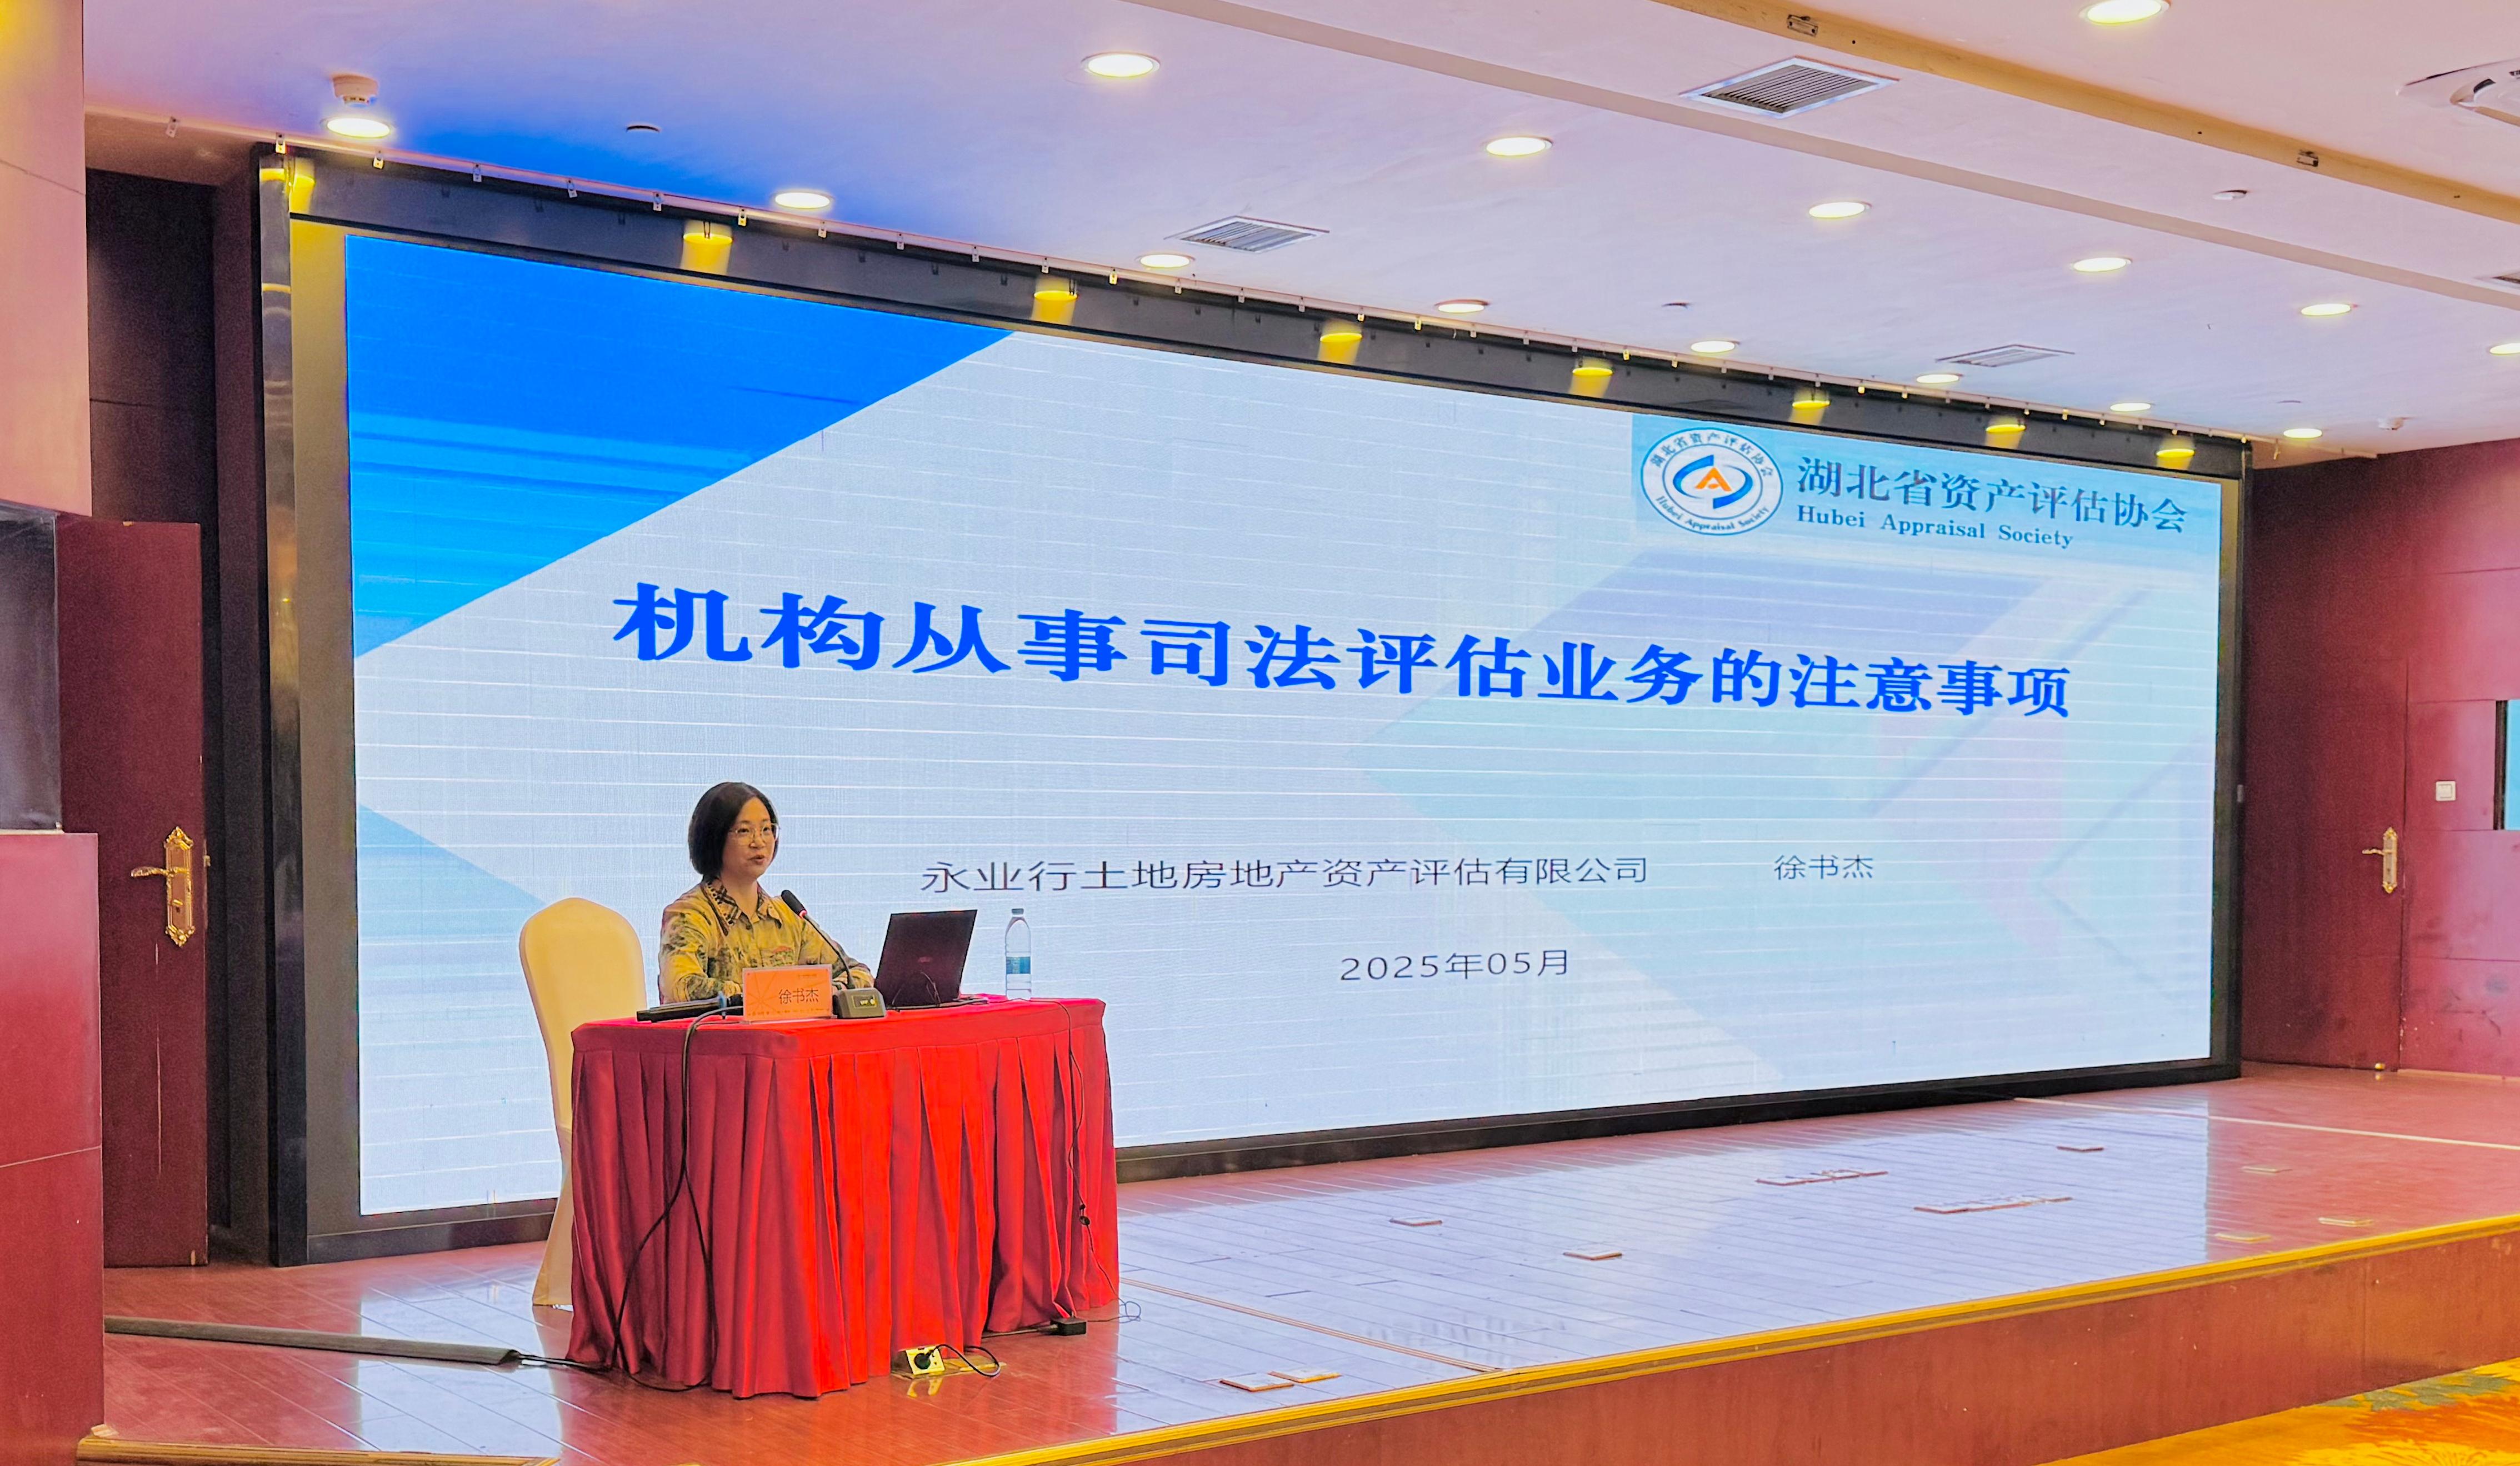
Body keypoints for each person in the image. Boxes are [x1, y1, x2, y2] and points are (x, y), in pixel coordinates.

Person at [659, 781, 871, 1003]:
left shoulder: (789, 917)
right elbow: (681, 988)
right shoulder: (690, 916)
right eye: (744, 831)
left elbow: (857, 974)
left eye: (767, 830)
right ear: (714, 837)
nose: (759, 842)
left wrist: (825, 991)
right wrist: (766, 995)